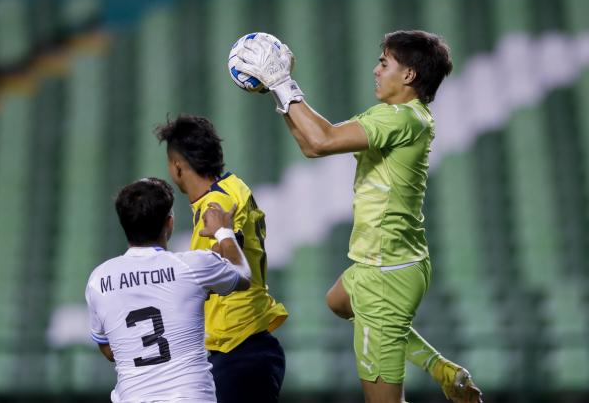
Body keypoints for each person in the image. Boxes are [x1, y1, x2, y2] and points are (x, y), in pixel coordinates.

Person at [233, 30, 482, 403]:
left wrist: (284, 83)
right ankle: (442, 368)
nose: (375, 70)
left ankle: (437, 369)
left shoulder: (401, 121)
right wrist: (278, 92)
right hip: (387, 262)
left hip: (385, 275)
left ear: (409, 75)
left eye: (384, 63)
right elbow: (311, 146)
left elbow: (322, 140)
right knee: (339, 301)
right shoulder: (395, 115)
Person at [155, 115, 289, 403]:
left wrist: (222, 234)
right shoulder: (233, 186)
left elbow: (232, 260)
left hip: (237, 349)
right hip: (250, 346)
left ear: (177, 166)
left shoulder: (214, 209)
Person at [85, 177, 252, 403]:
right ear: (169, 223)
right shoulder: (192, 266)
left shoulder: (99, 279)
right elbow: (243, 275)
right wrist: (224, 233)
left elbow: (108, 350)